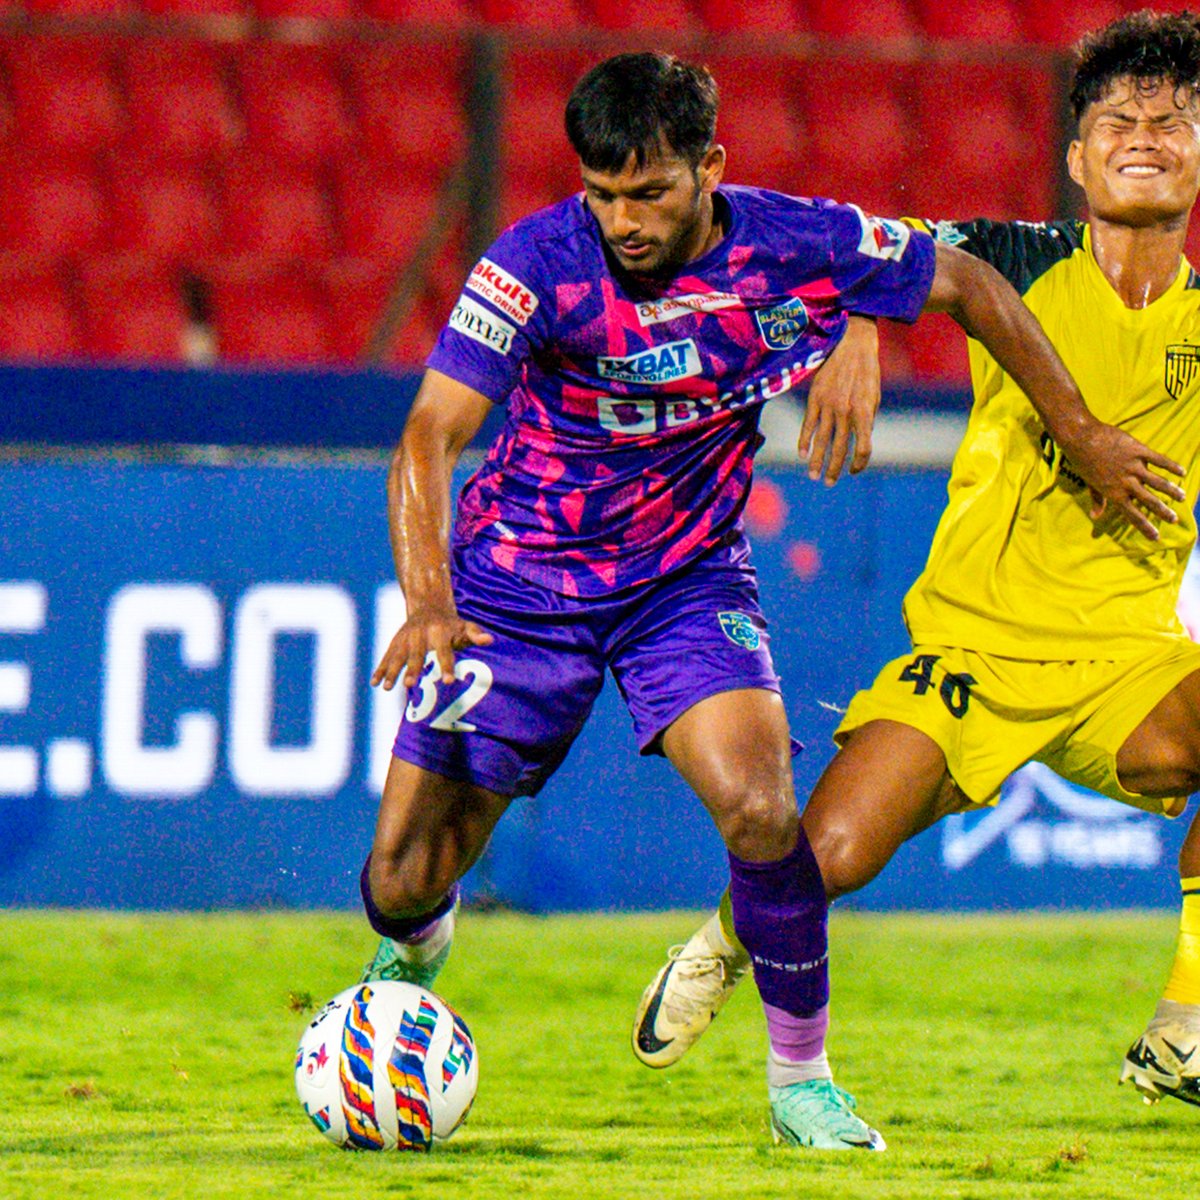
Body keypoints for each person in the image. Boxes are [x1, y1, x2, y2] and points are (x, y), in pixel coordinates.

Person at [361, 50, 1179, 1151]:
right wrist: (428, 597)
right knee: (398, 877)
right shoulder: (535, 264)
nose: (624, 221)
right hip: (520, 586)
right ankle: (413, 951)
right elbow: (430, 434)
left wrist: (1061, 423)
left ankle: (802, 1084)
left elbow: (960, 281)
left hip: (685, 581)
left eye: (648, 193)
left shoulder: (795, 243)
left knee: (763, 811)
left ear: (711, 168)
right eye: (603, 195)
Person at [631, 9, 1200, 1144]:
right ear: (1078, 159)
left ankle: (1183, 1025)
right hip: (976, 654)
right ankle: (727, 939)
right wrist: (859, 329)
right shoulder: (1024, 259)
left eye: (1175, 118)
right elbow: (867, 247)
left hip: (1129, 661)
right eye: (1118, 119)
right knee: (827, 855)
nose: (1147, 133)